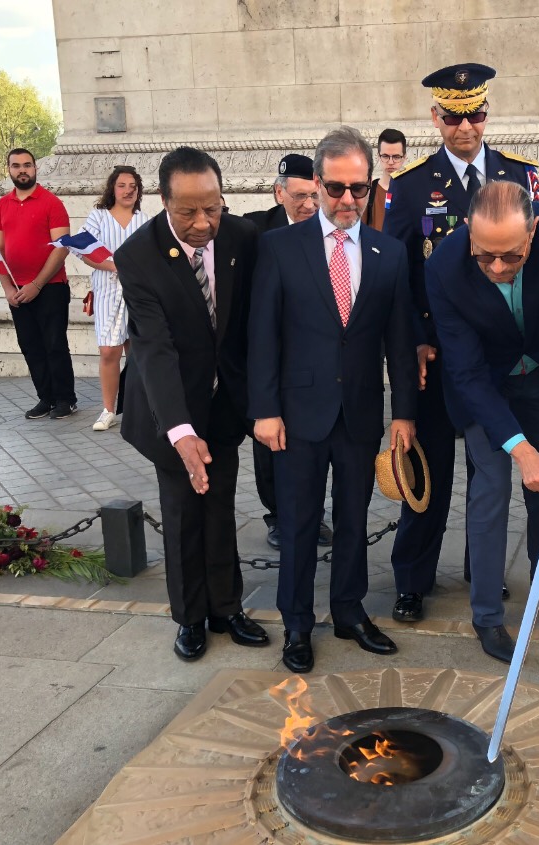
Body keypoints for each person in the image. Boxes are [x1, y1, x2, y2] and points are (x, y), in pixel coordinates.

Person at [250, 126, 418, 675]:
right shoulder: (278, 248)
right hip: (297, 416)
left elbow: (398, 339)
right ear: (317, 184)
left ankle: (348, 611)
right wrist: (265, 411)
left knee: (353, 517)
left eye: (359, 189)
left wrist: (405, 417)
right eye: (337, 188)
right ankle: (297, 624)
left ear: (371, 187)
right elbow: (263, 336)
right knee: (298, 521)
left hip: (361, 413)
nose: (348, 199)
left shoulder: (387, 253)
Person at [385, 63, 539, 625]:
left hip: (498, 360)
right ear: (436, 119)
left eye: (475, 115)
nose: (465, 128)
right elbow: (398, 277)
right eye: (453, 117)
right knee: (428, 469)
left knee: (490, 475)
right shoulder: (408, 188)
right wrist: (417, 343)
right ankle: (412, 580)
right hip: (437, 357)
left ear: (486, 114)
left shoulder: (519, 176)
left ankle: (484, 571)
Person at [424, 180, 539, 663]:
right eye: (485, 257)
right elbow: (467, 372)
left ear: (534, 231)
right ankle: (486, 616)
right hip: (486, 389)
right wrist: (521, 452)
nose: (497, 269)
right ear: (468, 233)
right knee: (492, 487)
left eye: (512, 257)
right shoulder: (443, 268)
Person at [115, 146, 268, 661]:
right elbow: (154, 349)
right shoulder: (137, 256)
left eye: (213, 208)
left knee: (220, 504)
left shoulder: (242, 237)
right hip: (169, 407)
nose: (203, 223)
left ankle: (227, 607)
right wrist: (180, 432)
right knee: (182, 510)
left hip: (224, 402)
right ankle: (191, 618)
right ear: (163, 201)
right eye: (188, 212)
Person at [243, 154, 332, 551]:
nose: (308, 205)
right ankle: (277, 516)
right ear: (279, 193)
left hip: (316, 364)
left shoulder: (331, 229)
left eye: (314, 195)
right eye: (299, 196)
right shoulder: (256, 231)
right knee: (270, 445)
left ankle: (313, 516)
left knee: (313, 445)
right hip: (271, 360)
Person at [0, 149, 76, 420]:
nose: (22, 170)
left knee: (54, 344)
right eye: (16, 166)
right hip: (17, 289)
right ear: (9, 170)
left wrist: (37, 284)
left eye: (27, 165)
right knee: (30, 345)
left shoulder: (52, 203)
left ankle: (65, 399)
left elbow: (61, 248)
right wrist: (8, 288)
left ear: (36, 168)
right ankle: (46, 398)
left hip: (50, 286)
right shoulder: (2, 206)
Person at [78, 166, 149, 431]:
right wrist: (114, 266)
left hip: (138, 291)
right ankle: (108, 409)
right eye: (122, 185)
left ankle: (137, 407)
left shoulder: (146, 220)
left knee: (137, 351)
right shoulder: (98, 217)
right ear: (113, 188)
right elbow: (84, 251)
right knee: (109, 350)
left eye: (133, 185)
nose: (128, 190)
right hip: (107, 289)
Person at [364, 128, 406, 230]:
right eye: (385, 156)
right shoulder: (368, 192)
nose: (390, 162)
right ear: (378, 157)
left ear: (404, 158)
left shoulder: (412, 191)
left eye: (396, 157)